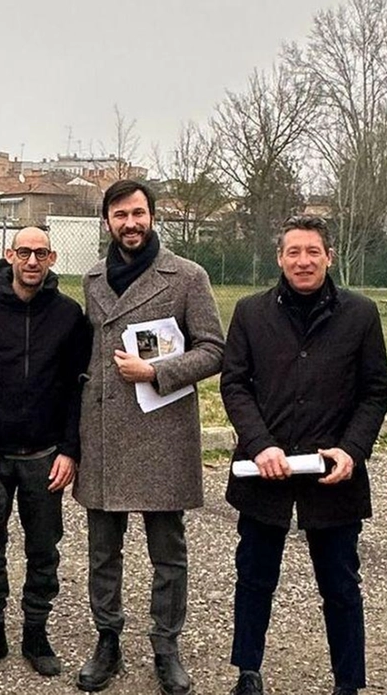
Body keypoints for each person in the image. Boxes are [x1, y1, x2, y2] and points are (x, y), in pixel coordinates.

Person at [220, 216, 387, 695]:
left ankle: (348, 683)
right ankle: (248, 671)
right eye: (293, 251)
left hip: (332, 474)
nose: (303, 261)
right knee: (254, 577)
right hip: (264, 471)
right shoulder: (251, 313)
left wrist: (353, 450)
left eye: (312, 251)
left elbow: (376, 392)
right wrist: (260, 443)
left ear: (329, 257)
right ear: (280, 258)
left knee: (339, 585)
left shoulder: (360, 314)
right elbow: (234, 385)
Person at [75, 180, 225, 695]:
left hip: (162, 430)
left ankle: (166, 645)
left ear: (153, 217)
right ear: (107, 222)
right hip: (103, 432)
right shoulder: (93, 277)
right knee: (102, 551)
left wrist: (157, 371)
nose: (130, 223)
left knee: (168, 551)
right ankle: (107, 640)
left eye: (138, 213)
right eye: (120, 215)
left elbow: (213, 349)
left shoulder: (187, 277)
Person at [0, 226, 90, 677]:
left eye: (41, 253)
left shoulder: (69, 315)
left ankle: (36, 630)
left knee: (44, 547)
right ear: (10, 254)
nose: (32, 261)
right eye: (24, 252)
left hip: (45, 455)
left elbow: (76, 389)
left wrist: (70, 449)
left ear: (52, 258)